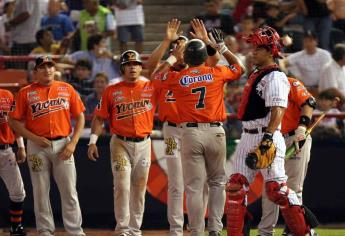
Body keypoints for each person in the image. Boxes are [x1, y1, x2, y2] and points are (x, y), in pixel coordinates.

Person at [153, 19, 245, 235]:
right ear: (205, 57)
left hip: (190, 133)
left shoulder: (178, 77)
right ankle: (215, 228)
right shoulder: (216, 73)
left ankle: (196, 231)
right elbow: (239, 68)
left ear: (187, 57)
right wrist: (216, 45)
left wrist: (174, 56)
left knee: (194, 187)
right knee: (217, 183)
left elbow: (156, 77)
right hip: (216, 132)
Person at [226, 26, 316, 236]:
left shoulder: (276, 76)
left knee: (277, 190)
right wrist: (222, 48)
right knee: (235, 188)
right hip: (247, 135)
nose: (253, 51)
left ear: (270, 51)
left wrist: (267, 137)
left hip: (266, 135)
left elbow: (278, 109)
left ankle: (304, 232)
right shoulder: (258, 73)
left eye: (258, 48)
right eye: (253, 47)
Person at [147, 19, 215, 236]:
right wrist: (168, 44)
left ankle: (198, 226)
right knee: (176, 182)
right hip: (171, 132)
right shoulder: (165, 72)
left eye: (184, 47)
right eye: (178, 46)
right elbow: (151, 69)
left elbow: (214, 62)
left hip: (195, 130)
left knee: (201, 182)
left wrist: (205, 41)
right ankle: (175, 230)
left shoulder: (195, 72)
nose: (180, 49)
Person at [9, 56, 86, 236]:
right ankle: (45, 231)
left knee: (69, 191)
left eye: (50, 66)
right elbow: (13, 121)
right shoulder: (26, 92)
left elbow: (80, 116)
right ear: (35, 72)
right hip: (37, 148)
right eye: (42, 67)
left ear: (55, 69)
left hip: (63, 144)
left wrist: (73, 143)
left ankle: (75, 231)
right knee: (40, 191)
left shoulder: (66, 89)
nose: (47, 70)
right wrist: (32, 138)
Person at [87, 50, 158, 236]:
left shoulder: (150, 86)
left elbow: (161, 67)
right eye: (128, 64)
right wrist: (92, 142)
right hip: (120, 142)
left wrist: (171, 50)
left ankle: (135, 230)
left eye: (135, 64)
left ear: (141, 67)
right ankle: (122, 230)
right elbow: (99, 118)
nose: (132, 67)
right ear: (122, 69)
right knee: (122, 186)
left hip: (144, 142)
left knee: (139, 188)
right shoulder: (112, 90)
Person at [258, 77, 317, 236]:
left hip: (294, 137)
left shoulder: (290, 82)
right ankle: (265, 231)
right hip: (273, 139)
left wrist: (302, 127)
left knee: (294, 187)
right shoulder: (260, 85)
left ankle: (295, 229)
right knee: (270, 188)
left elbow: (309, 102)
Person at [0, 88, 26, 236]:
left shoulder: (7, 95)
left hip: (6, 150)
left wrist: (21, 146)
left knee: (18, 192)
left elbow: (14, 123)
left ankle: (15, 228)